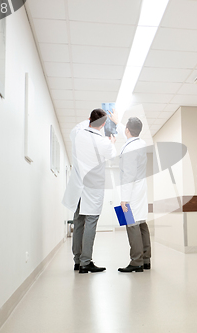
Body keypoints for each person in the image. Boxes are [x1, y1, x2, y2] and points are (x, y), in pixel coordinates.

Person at [62, 109, 117, 273]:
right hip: (92, 189)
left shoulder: (77, 134)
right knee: (90, 223)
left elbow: (80, 126)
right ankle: (86, 262)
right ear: (104, 124)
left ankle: (78, 260)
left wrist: (92, 120)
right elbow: (113, 155)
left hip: (78, 188)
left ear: (89, 120)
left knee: (78, 222)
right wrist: (112, 140)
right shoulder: (105, 143)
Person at [108, 109, 150, 273]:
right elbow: (130, 132)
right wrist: (118, 123)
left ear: (127, 130)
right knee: (141, 224)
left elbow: (128, 176)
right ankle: (146, 259)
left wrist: (124, 199)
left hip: (131, 191)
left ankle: (136, 262)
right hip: (140, 189)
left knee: (131, 225)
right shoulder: (140, 143)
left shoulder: (130, 149)